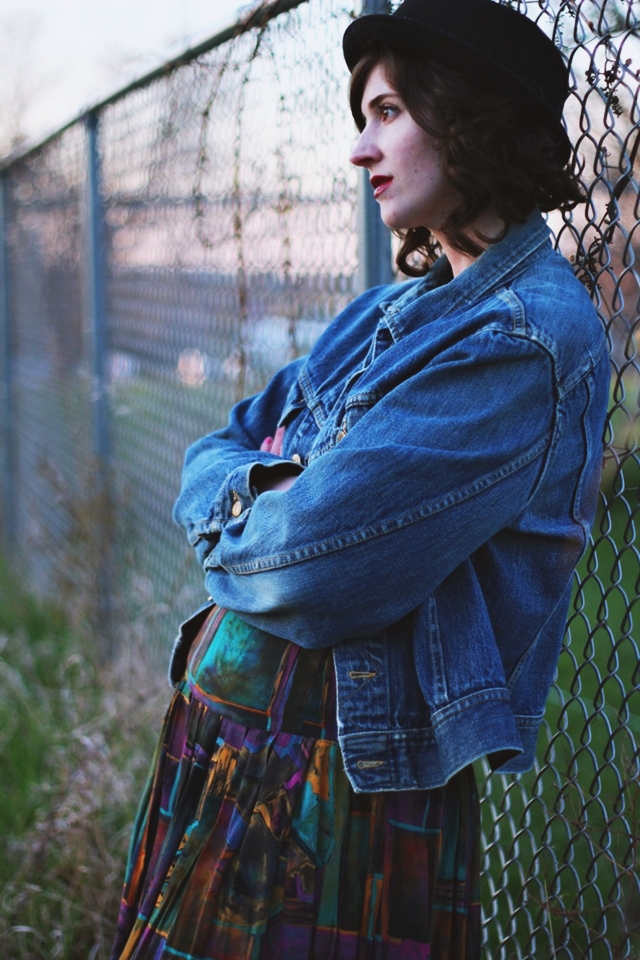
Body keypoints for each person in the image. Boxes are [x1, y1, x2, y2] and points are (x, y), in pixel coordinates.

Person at [110, 1, 610, 958]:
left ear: (467, 121)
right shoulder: (382, 316)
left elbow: (309, 565)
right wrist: (257, 502)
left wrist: (241, 517)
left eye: (385, 113)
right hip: (232, 749)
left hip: (338, 786)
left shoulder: (524, 343)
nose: (358, 150)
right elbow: (215, 446)